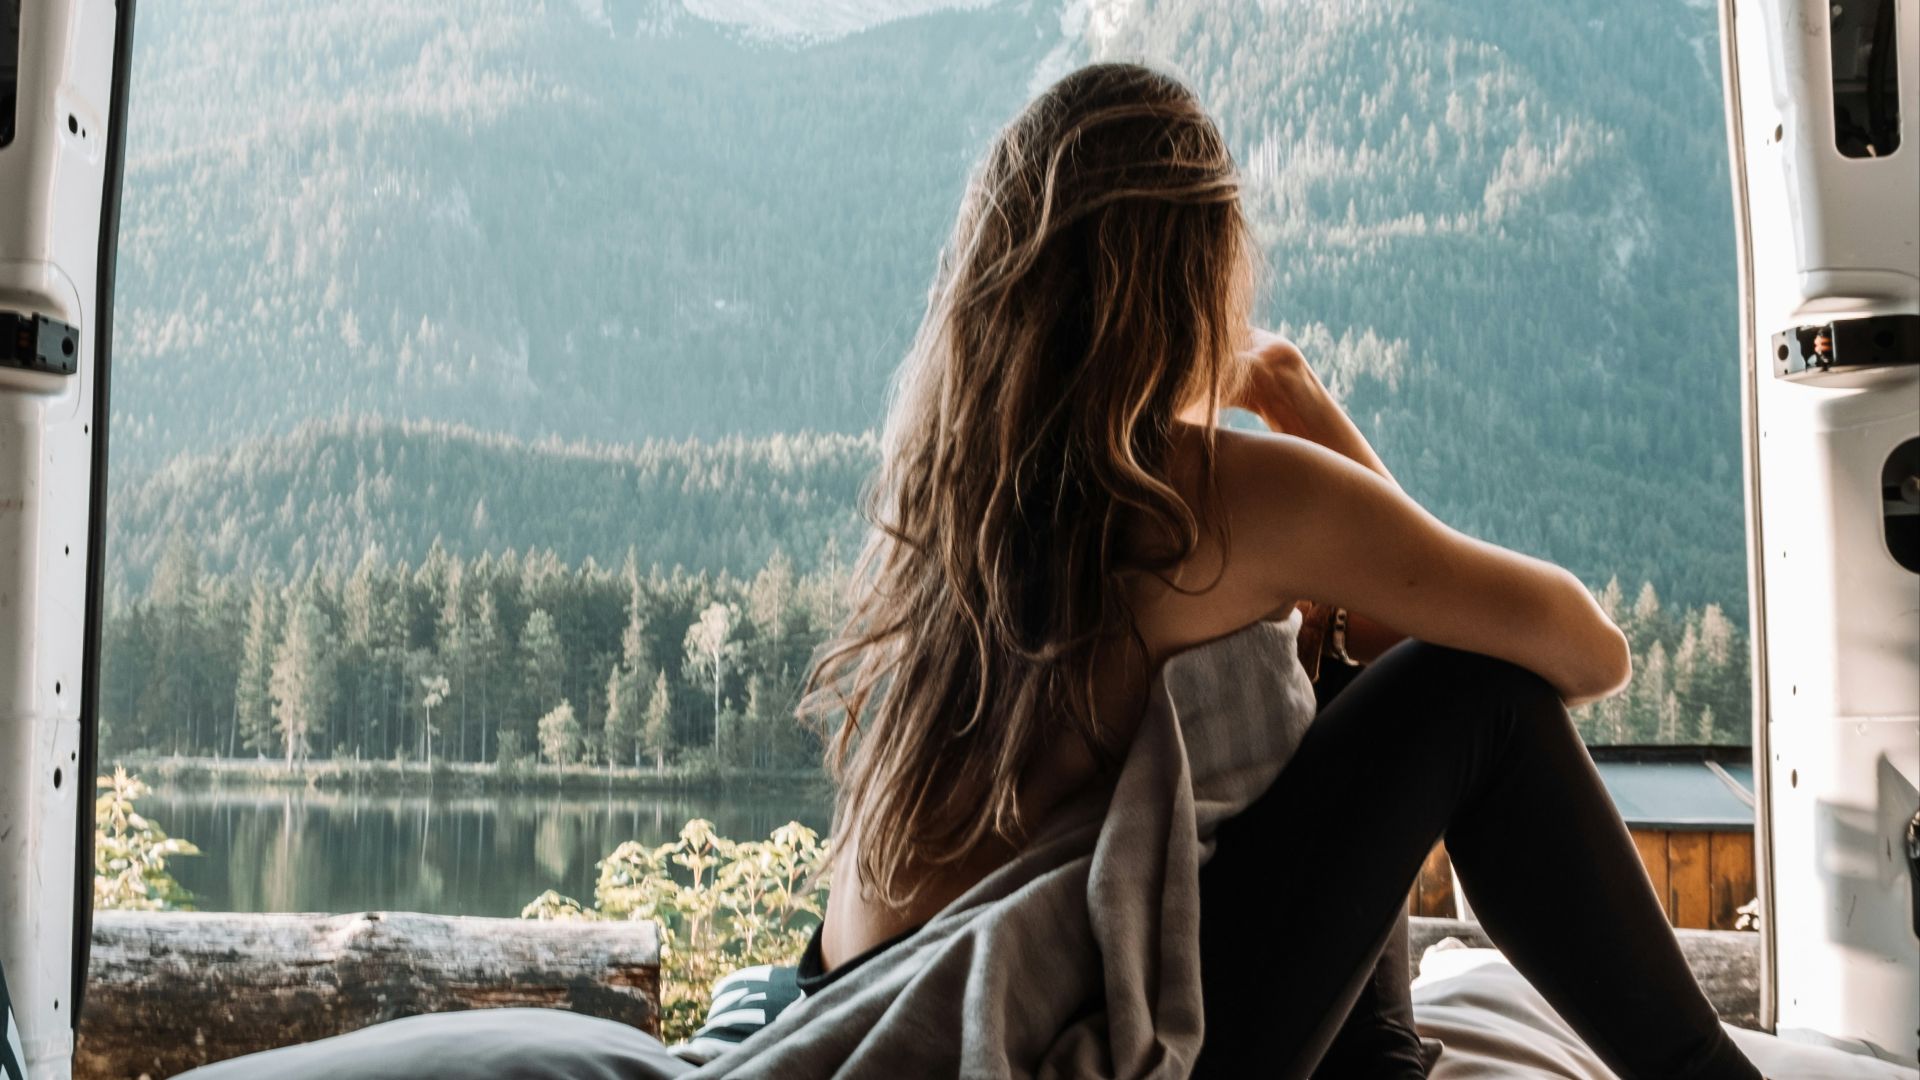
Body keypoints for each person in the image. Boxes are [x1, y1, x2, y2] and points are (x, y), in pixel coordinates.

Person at [177, 62, 1761, 1080]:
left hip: (874, 1015)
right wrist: (1300, 407)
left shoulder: (942, 516)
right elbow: (1579, 650)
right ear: (1189, 271)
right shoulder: (1196, 488)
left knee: (1328, 673)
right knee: (1449, 690)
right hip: (1090, 1054)